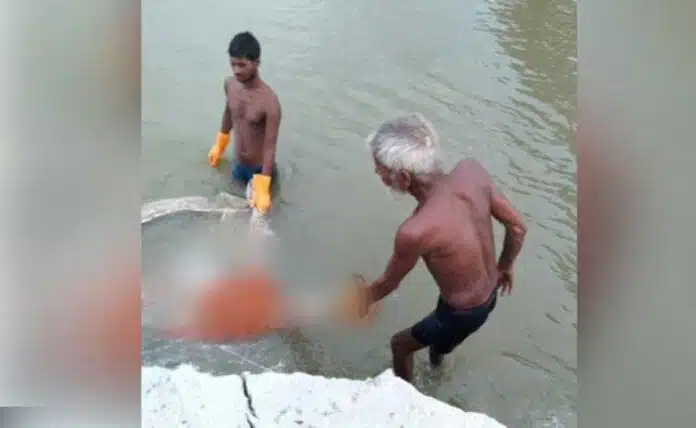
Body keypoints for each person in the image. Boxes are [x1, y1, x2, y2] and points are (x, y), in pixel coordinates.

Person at [358, 114, 527, 383]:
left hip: (461, 314)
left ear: (403, 178)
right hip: (487, 294)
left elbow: (388, 285)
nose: (377, 174)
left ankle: (406, 400)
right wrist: (505, 266)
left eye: (380, 170)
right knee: (440, 343)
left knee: (400, 345)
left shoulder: (415, 231)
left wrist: (360, 300)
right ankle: (437, 367)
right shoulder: (472, 171)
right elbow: (517, 228)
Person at [207, 31, 281, 214]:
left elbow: (270, 147)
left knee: (263, 216)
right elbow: (228, 114)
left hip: (260, 170)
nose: (236, 70)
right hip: (238, 165)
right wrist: (220, 144)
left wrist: (264, 184)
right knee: (231, 210)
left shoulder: (269, 102)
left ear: (257, 63)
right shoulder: (230, 85)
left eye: (242, 65)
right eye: (233, 64)